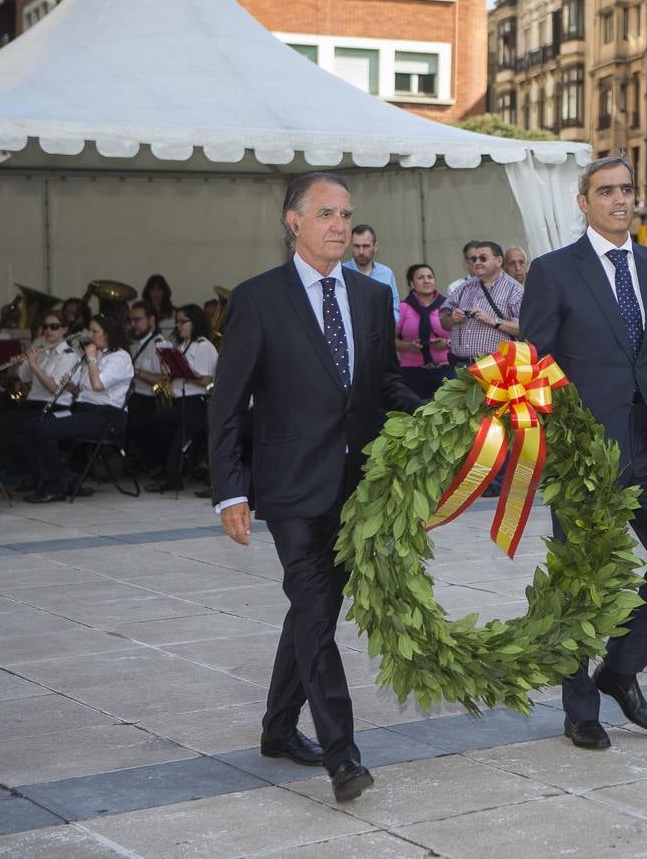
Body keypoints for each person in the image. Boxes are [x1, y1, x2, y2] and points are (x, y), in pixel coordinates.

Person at [208, 171, 421, 803]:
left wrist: (439, 414)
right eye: (326, 213)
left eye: (346, 215)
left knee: (316, 610)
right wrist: (230, 489)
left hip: (359, 487)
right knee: (315, 614)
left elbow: (383, 385)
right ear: (293, 221)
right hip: (292, 486)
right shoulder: (258, 298)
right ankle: (342, 754)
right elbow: (227, 401)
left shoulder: (371, 296)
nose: (340, 226)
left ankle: (277, 728)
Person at [519, 155, 647, 751]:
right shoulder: (553, 272)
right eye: (606, 191)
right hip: (585, 452)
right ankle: (580, 710)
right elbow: (534, 367)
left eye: (627, 189)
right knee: (581, 580)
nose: (619, 200)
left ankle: (620, 669)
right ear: (584, 201)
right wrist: (552, 446)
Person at [25, 314, 134, 503]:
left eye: (95, 332)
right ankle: (56, 479)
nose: (90, 336)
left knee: (45, 430)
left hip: (107, 417)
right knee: (34, 425)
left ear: (108, 333)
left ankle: (54, 485)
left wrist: (91, 359)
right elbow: (83, 392)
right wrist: (71, 387)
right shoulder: (98, 354)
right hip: (84, 409)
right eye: (90, 331)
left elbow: (99, 385)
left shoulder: (120, 357)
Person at [0, 310, 78, 491]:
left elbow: (55, 388)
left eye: (54, 327)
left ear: (64, 330)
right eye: (45, 327)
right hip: (31, 404)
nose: (48, 331)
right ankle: (24, 470)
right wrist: (15, 366)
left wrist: (34, 365)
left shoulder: (70, 356)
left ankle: (34, 474)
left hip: (54, 406)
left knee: (27, 427)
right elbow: (21, 377)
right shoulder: (42, 351)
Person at [145, 305, 217, 493]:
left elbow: (207, 380)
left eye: (183, 322)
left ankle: (173, 476)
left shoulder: (204, 346)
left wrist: (183, 373)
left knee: (182, 434)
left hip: (197, 403)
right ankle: (166, 469)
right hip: (180, 402)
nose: (179, 326)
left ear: (195, 322)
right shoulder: (182, 346)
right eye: (177, 322)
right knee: (155, 422)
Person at [441, 241, 523, 367]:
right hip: (461, 367)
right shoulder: (463, 287)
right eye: (474, 259)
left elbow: (524, 328)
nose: (477, 262)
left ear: (499, 261)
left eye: (483, 258)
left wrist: (493, 320)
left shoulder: (515, 289)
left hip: (496, 367)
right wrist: (452, 319)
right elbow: (443, 321)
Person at [395, 262, 454, 399]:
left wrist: (446, 343)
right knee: (414, 415)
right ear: (411, 283)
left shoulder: (447, 305)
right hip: (412, 372)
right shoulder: (403, 307)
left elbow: (462, 337)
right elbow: (390, 340)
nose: (427, 281)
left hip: (445, 370)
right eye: (421, 278)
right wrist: (408, 346)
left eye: (430, 277)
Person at [126, 301, 166, 470]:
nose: (133, 324)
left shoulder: (161, 345)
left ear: (151, 320)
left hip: (152, 400)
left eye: (137, 320)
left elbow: (165, 380)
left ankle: (154, 465)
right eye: (131, 320)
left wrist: (135, 372)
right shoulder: (134, 344)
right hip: (135, 398)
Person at [342, 224, 401, 324]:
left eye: (366, 246)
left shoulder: (386, 273)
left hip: (380, 335)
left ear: (375, 246)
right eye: (356, 246)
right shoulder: (341, 272)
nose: (361, 251)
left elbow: (395, 309)